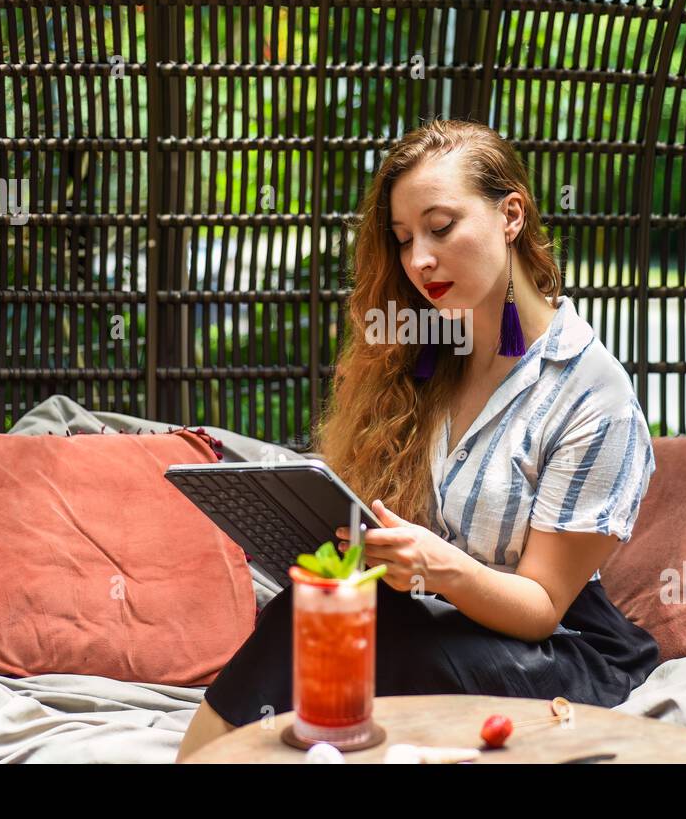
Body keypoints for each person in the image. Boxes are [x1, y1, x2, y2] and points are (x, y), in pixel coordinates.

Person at [175, 119, 658, 762]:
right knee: (322, 605)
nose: (419, 260)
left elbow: (542, 605)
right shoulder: (428, 359)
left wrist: (436, 566)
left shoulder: (592, 394)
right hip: (436, 624)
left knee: (365, 629)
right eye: (403, 240)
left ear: (510, 214)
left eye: (440, 227)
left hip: (558, 654)